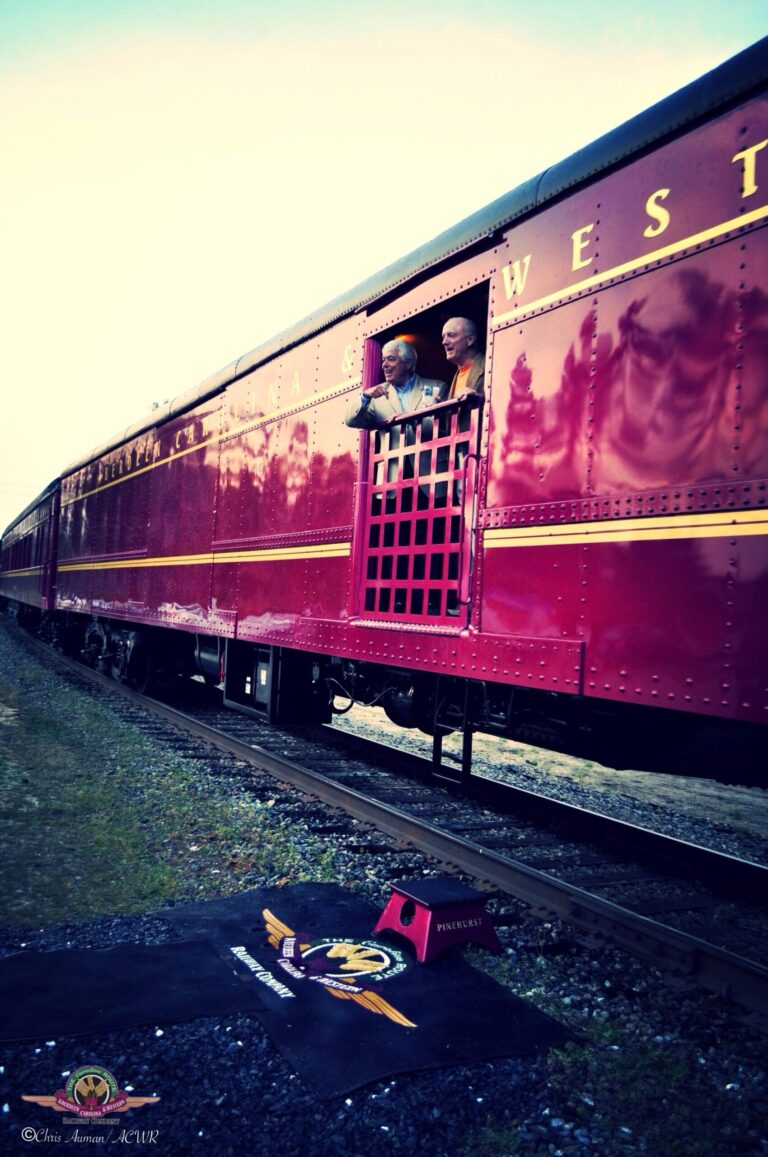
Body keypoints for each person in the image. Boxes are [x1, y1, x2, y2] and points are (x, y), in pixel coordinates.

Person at [345, 339, 448, 428]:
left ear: (407, 363)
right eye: (383, 360)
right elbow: (351, 421)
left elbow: (438, 426)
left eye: (391, 359)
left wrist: (406, 419)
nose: (384, 365)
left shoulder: (434, 387)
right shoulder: (377, 397)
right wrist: (365, 396)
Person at [442, 317, 485, 398]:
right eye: (443, 336)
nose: (444, 342)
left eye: (451, 335)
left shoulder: (488, 365)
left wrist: (477, 399)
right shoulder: (457, 373)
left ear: (470, 340)